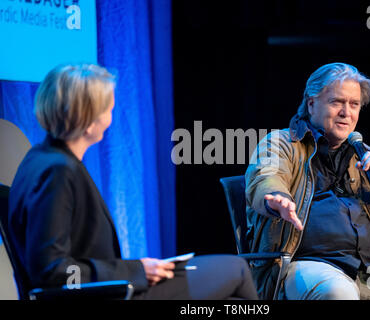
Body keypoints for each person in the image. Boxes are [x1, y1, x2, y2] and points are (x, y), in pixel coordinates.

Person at [8, 64, 258, 300]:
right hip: (105, 293)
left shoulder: (39, 158)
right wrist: (134, 271)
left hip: (110, 286)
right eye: (108, 108)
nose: (112, 113)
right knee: (237, 269)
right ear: (89, 119)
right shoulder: (58, 172)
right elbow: (52, 272)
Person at [245, 62, 370, 300]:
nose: (346, 112)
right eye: (337, 102)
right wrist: (278, 199)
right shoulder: (282, 143)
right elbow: (266, 178)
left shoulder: (364, 155)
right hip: (312, 266)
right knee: (338, 292)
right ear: (311, 104)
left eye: (354, 105)